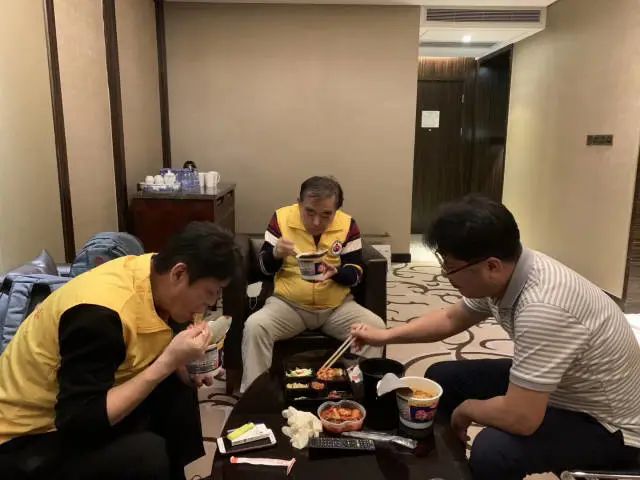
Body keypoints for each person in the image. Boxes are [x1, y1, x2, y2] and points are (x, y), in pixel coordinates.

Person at [351, 195, 640, 480]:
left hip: (609, 425)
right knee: (443, 376)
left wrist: (466, 410)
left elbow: (522, 418)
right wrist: (384, 336)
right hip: (564, 385)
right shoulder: (509, 271)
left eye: (451, 267)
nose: (446, 275)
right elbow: (451, 318)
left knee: (492, 451)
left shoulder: (543, 308)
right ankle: (447, 467)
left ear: (491, 266)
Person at [0, 222, 240, 480]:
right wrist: (167, 362)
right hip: (27, 437)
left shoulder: (153, 273)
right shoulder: (99, 316)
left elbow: (156, 337)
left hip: (79, 403)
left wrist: (183, 367)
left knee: (176, 387)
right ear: (179, 273)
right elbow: (79, 420)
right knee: (146, 455)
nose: (210, 303)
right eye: (209, 292)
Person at [241, 176, 385, 391]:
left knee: (376, 328)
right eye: (309, 212)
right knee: (255, 326)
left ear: (336, 210)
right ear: (299, 203)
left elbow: (356, 273)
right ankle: (255, 395)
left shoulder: (347, 225)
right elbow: (263, 268)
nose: (316, 222)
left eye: (326, 214)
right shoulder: (281, 218)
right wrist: (275, 253)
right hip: (288, 305)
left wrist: (337, 273)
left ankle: (360, 391)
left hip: (336, 307)